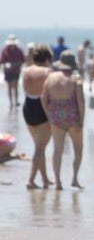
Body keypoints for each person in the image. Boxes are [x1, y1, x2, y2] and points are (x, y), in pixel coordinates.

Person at [42, 50, 85, 190]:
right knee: (78, 148)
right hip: (72, 116)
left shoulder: (50, 77)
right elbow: (80, 101)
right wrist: (82, 120)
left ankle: (58, 182)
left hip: (55, 115)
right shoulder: (76, 78)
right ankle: (74, 178)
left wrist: (49, 114)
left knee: (57, 150)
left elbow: (43, 98)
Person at [20, 44, 53, 188]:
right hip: (42, 109)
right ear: (47, 58)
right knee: (40, 148)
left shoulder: (25, 70)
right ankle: (31, 180)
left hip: (28, 108)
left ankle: (45, 179)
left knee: (39, 147)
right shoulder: (48, 72)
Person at [2, 34, 25, 107]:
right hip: (8, 71)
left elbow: (23, 60)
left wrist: (15, 64)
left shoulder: (19, 50)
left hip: (16, 71)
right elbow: (1, 61)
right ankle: (11, 103)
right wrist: (7, 65)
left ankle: (16, 101)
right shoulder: (4, 50)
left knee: (16, 87)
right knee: (9, 87)